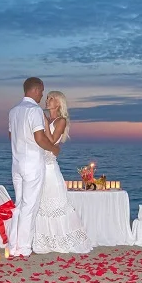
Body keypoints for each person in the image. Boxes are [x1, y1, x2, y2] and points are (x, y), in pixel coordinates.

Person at [33, 91, 92, 254]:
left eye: (51, 98)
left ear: (59, 103)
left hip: (50, 167)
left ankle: (63, 239)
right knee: (41, 204)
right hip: (39, 164)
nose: (47, 100)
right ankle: (45, 240)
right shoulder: (46, 119)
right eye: (47, 98)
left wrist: (44, 123)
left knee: (56, 203)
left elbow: (51, 141)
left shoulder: (61, 121)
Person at [8, 77, 59, 257]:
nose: (42, 95)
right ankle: (24, 248)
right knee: (30, 206)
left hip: (16, 164)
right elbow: (40, 138)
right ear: (36, 90)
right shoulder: (34, 110)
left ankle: (13, 246)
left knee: (19, 204)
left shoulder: (13, 111)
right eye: (42, 92)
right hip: (32, 165)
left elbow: (11, 136)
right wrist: (54, 148)